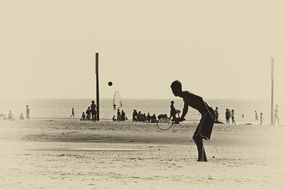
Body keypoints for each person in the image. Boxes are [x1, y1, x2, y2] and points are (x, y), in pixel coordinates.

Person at [170, 80, 215, 162]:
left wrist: (207, 113)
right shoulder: (185, 97)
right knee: (197, 137)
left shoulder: (186, 94)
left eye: (173, 89)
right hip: (205, 114)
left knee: (197, 137)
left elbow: (200, 99)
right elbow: (185, 109)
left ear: (177, 89)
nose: (172, 92)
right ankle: (203, 158)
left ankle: (201, 158)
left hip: (207, 114)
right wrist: (181, 118)